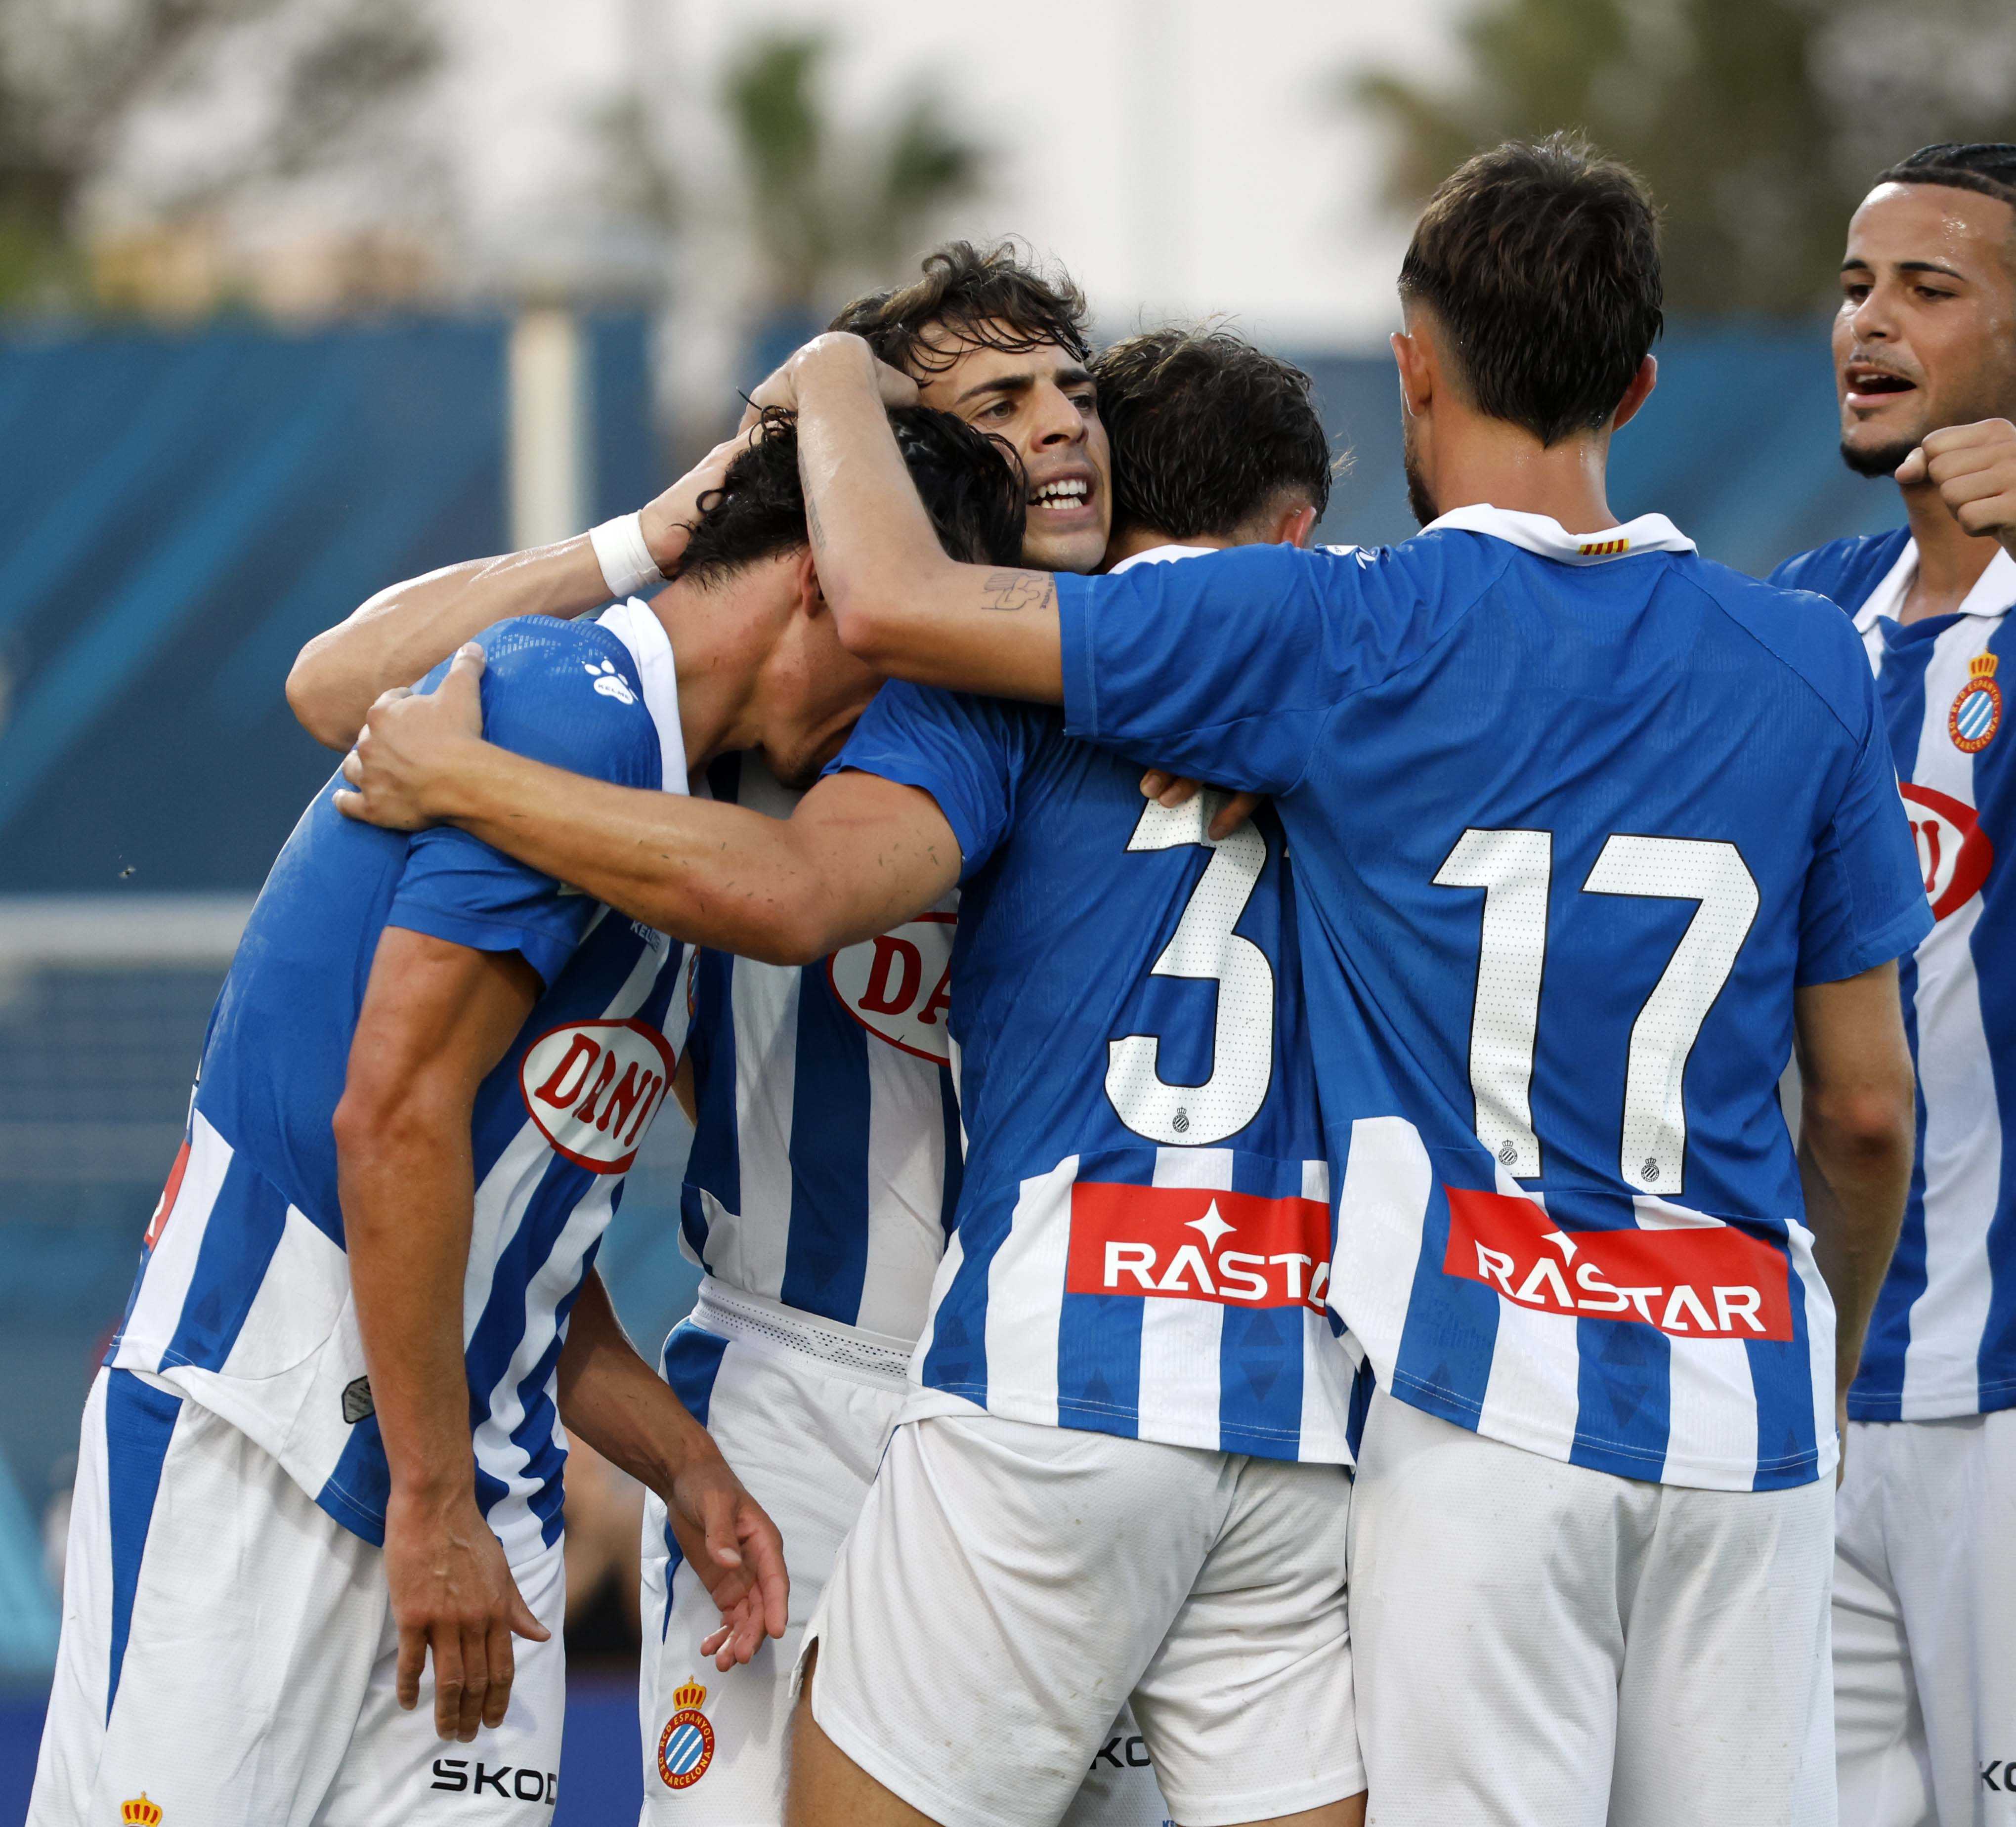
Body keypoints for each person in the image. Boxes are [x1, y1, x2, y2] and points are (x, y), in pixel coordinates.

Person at [712, 135, 1928, 1825]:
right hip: (1728, 1410)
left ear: (1413, 366)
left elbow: (895, 631)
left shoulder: (1345, 632)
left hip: (1457, 1391)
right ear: (1643, 383)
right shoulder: (1806, 658)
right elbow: (1866, 1114)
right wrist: (1828, 1354)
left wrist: (835, 368)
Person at [334, 324, 1369, 1827]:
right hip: (810, 1381)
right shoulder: (767, 701)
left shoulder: (1096, 685)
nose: (1062, 431)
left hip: (1039, 1385)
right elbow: (338, 689)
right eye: (1000, 407)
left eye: (1078, 397)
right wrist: (661, 521)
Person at [27, 403, 1016, 1827]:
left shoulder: (667, 806)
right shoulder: (572, 709)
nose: (905, 710)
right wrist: (429, 1502)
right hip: (273, 1443)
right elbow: (395, 1119)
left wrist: (681, 1462)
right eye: (906, 653)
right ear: (822, 579)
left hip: (479, 1488)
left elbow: (511, 1230)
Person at [1769, 141, 2016, 1827]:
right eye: (1860, 283)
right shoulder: (1805, 619)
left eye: (1931, 287)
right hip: (1816, 1402)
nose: (1872, 320)